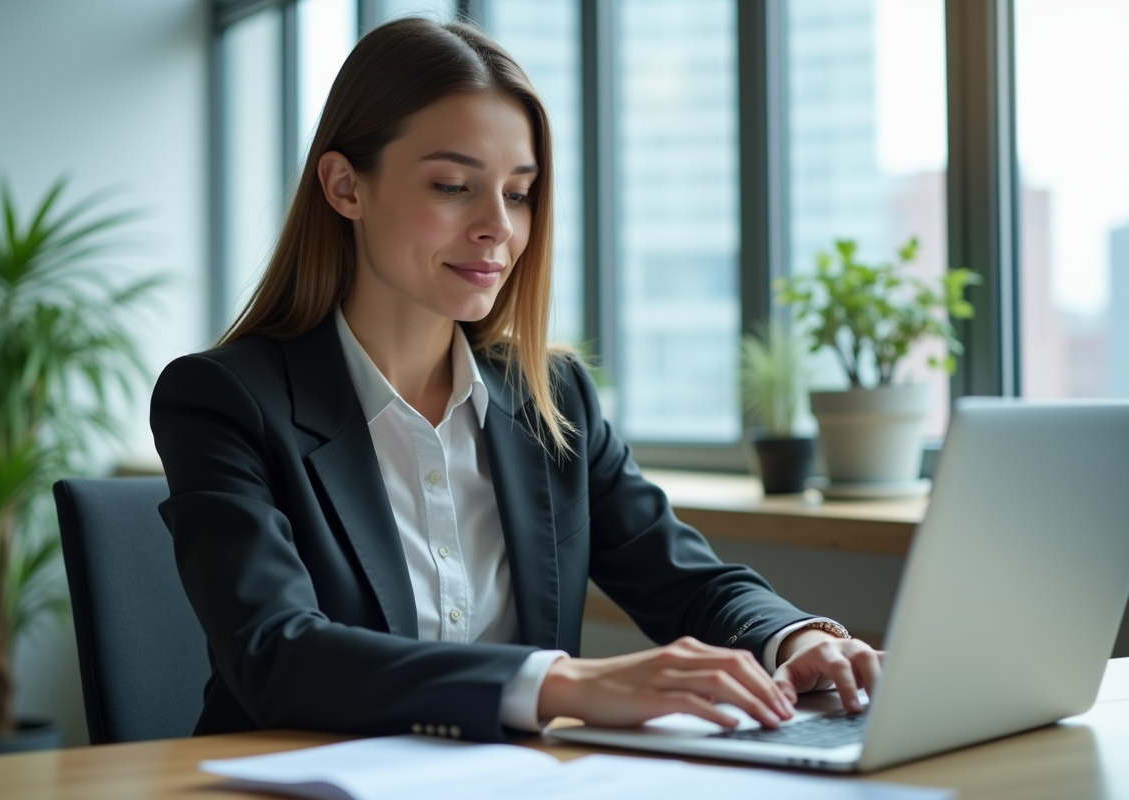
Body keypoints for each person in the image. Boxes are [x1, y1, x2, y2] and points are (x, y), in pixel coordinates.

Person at [150, 17, 882, 743]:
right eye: (453, 185)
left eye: (520, 193)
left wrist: (794, 638)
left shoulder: (550, 398)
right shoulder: (223, 401)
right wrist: (562, 682)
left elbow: (682, 578)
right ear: (346, 187)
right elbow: (276, 654)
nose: (497, 226)